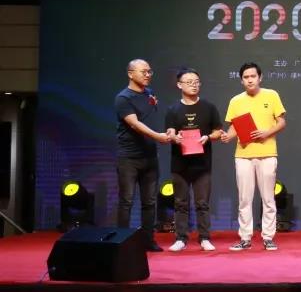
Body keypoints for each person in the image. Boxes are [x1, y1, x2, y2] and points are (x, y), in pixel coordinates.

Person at [221, 62, 287, 251]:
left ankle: (268, 237)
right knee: (244, 198)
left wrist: (267, 133)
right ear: (241, 80)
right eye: (246, 77)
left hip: (267, 153)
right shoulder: (236, 101)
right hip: (243, 155)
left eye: (253, 76)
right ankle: (245, 238)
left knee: (268, 198)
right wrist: (227, 136)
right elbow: (234, 126)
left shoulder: (271, 95)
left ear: (260, 77)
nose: (250, 80)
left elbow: (281, 122)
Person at [114, 59, 172, 252]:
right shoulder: (123, 98)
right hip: (129, 158)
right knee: (127, 201)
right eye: (143, 72)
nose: (147, 75)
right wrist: (157, 136)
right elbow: (135, 124)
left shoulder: (150, 94)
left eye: (149, 72)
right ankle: (121, 242)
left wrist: (167, 133)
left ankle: (148, 240)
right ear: (130, 74)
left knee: (149, 202)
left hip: (150, 157)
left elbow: (151, 119)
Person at [164, 68, 223, 251]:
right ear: (179, 85)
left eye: (196, 82)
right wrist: (174, 138)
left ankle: (204, 237)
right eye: (189, 82)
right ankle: (181, 238)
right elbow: (170, 132)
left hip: (202, 164)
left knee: (202, 203)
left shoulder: (209, 107)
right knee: (180, 203)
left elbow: (218, 131)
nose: (194, 85)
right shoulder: (173, 109)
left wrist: (208, 137)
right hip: (179, 164)